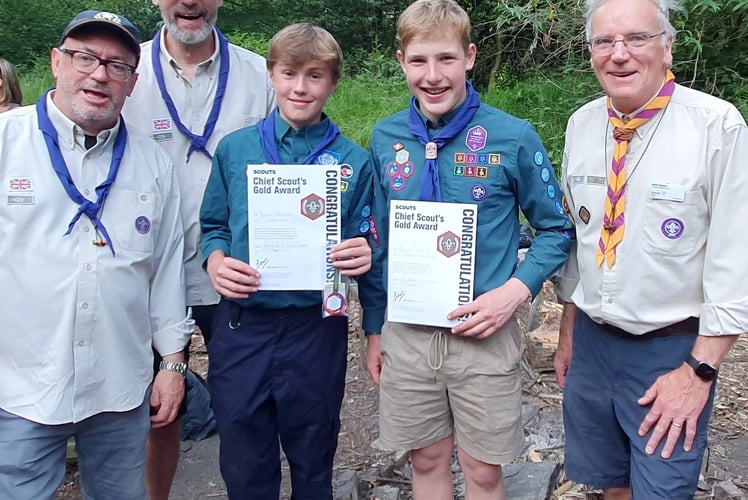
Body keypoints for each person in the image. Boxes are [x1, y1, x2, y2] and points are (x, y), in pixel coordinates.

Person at [365, 1, 574, 498]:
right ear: (401, 62)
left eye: (446, 59)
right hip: (409, 334)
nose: (433, 76)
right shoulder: (385, 137)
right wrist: (375, 328)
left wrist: (515, 293)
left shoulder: (512, 136)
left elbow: (557, 229)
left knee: (482, 469)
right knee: (427, 459)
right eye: (419, 61)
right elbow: (379, 240)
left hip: (485, 330)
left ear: (470, 57)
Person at [553, 0, 748, 498]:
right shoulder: (582, 125)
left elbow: (737, 259)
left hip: (672, 351)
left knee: (662, 490)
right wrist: (568, 332)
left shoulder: (717, 128)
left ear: (668, 46)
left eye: (636, 38)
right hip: (593, 348)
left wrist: (700, 371)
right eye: (604, 42)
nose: (619, 54)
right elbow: (582, 241)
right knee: (608, 484)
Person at [0, 10, 193, 500]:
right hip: (21, 384)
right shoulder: (7, 142)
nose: (99, 74)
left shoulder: (154, 164)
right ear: (56, 63)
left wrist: (171, 365)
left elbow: (167, 270)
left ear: (132, 82)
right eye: (85, 58)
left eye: (117, 65)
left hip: (118, 386)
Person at [200, 22, 380, 498]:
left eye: (315, 75)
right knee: (244, 460)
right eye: (289, 73)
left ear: (334, 82)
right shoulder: (236, 150)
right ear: (271, 75)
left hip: (314, 328)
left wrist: (364, 251)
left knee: (313, 453)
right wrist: (216, 260)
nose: (301, 87)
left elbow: (366, 238)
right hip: (242, 325)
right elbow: (214, 224)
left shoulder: (353, 162)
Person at [121, 1, 275, 497]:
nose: (189, 2)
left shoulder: (262, 76)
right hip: (146, 272)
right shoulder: (126, 71)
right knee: (156, 411)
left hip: (235, 273)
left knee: (243, 404)